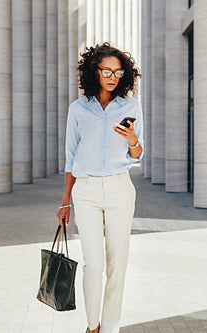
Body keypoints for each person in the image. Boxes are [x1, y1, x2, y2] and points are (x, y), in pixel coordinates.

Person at [56, 43, 143, 333]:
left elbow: (137, 154)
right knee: (93, 265)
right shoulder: (78, 109)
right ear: (94, 71)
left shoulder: (131, 106)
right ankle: (92, 326)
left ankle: (110, 329)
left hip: (120, 189)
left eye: (118, 72)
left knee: (117, 266)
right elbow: (71, 157)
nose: (112, 76)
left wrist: (132, 137)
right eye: (107, 70)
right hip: (87, 191)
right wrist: (65, 201)